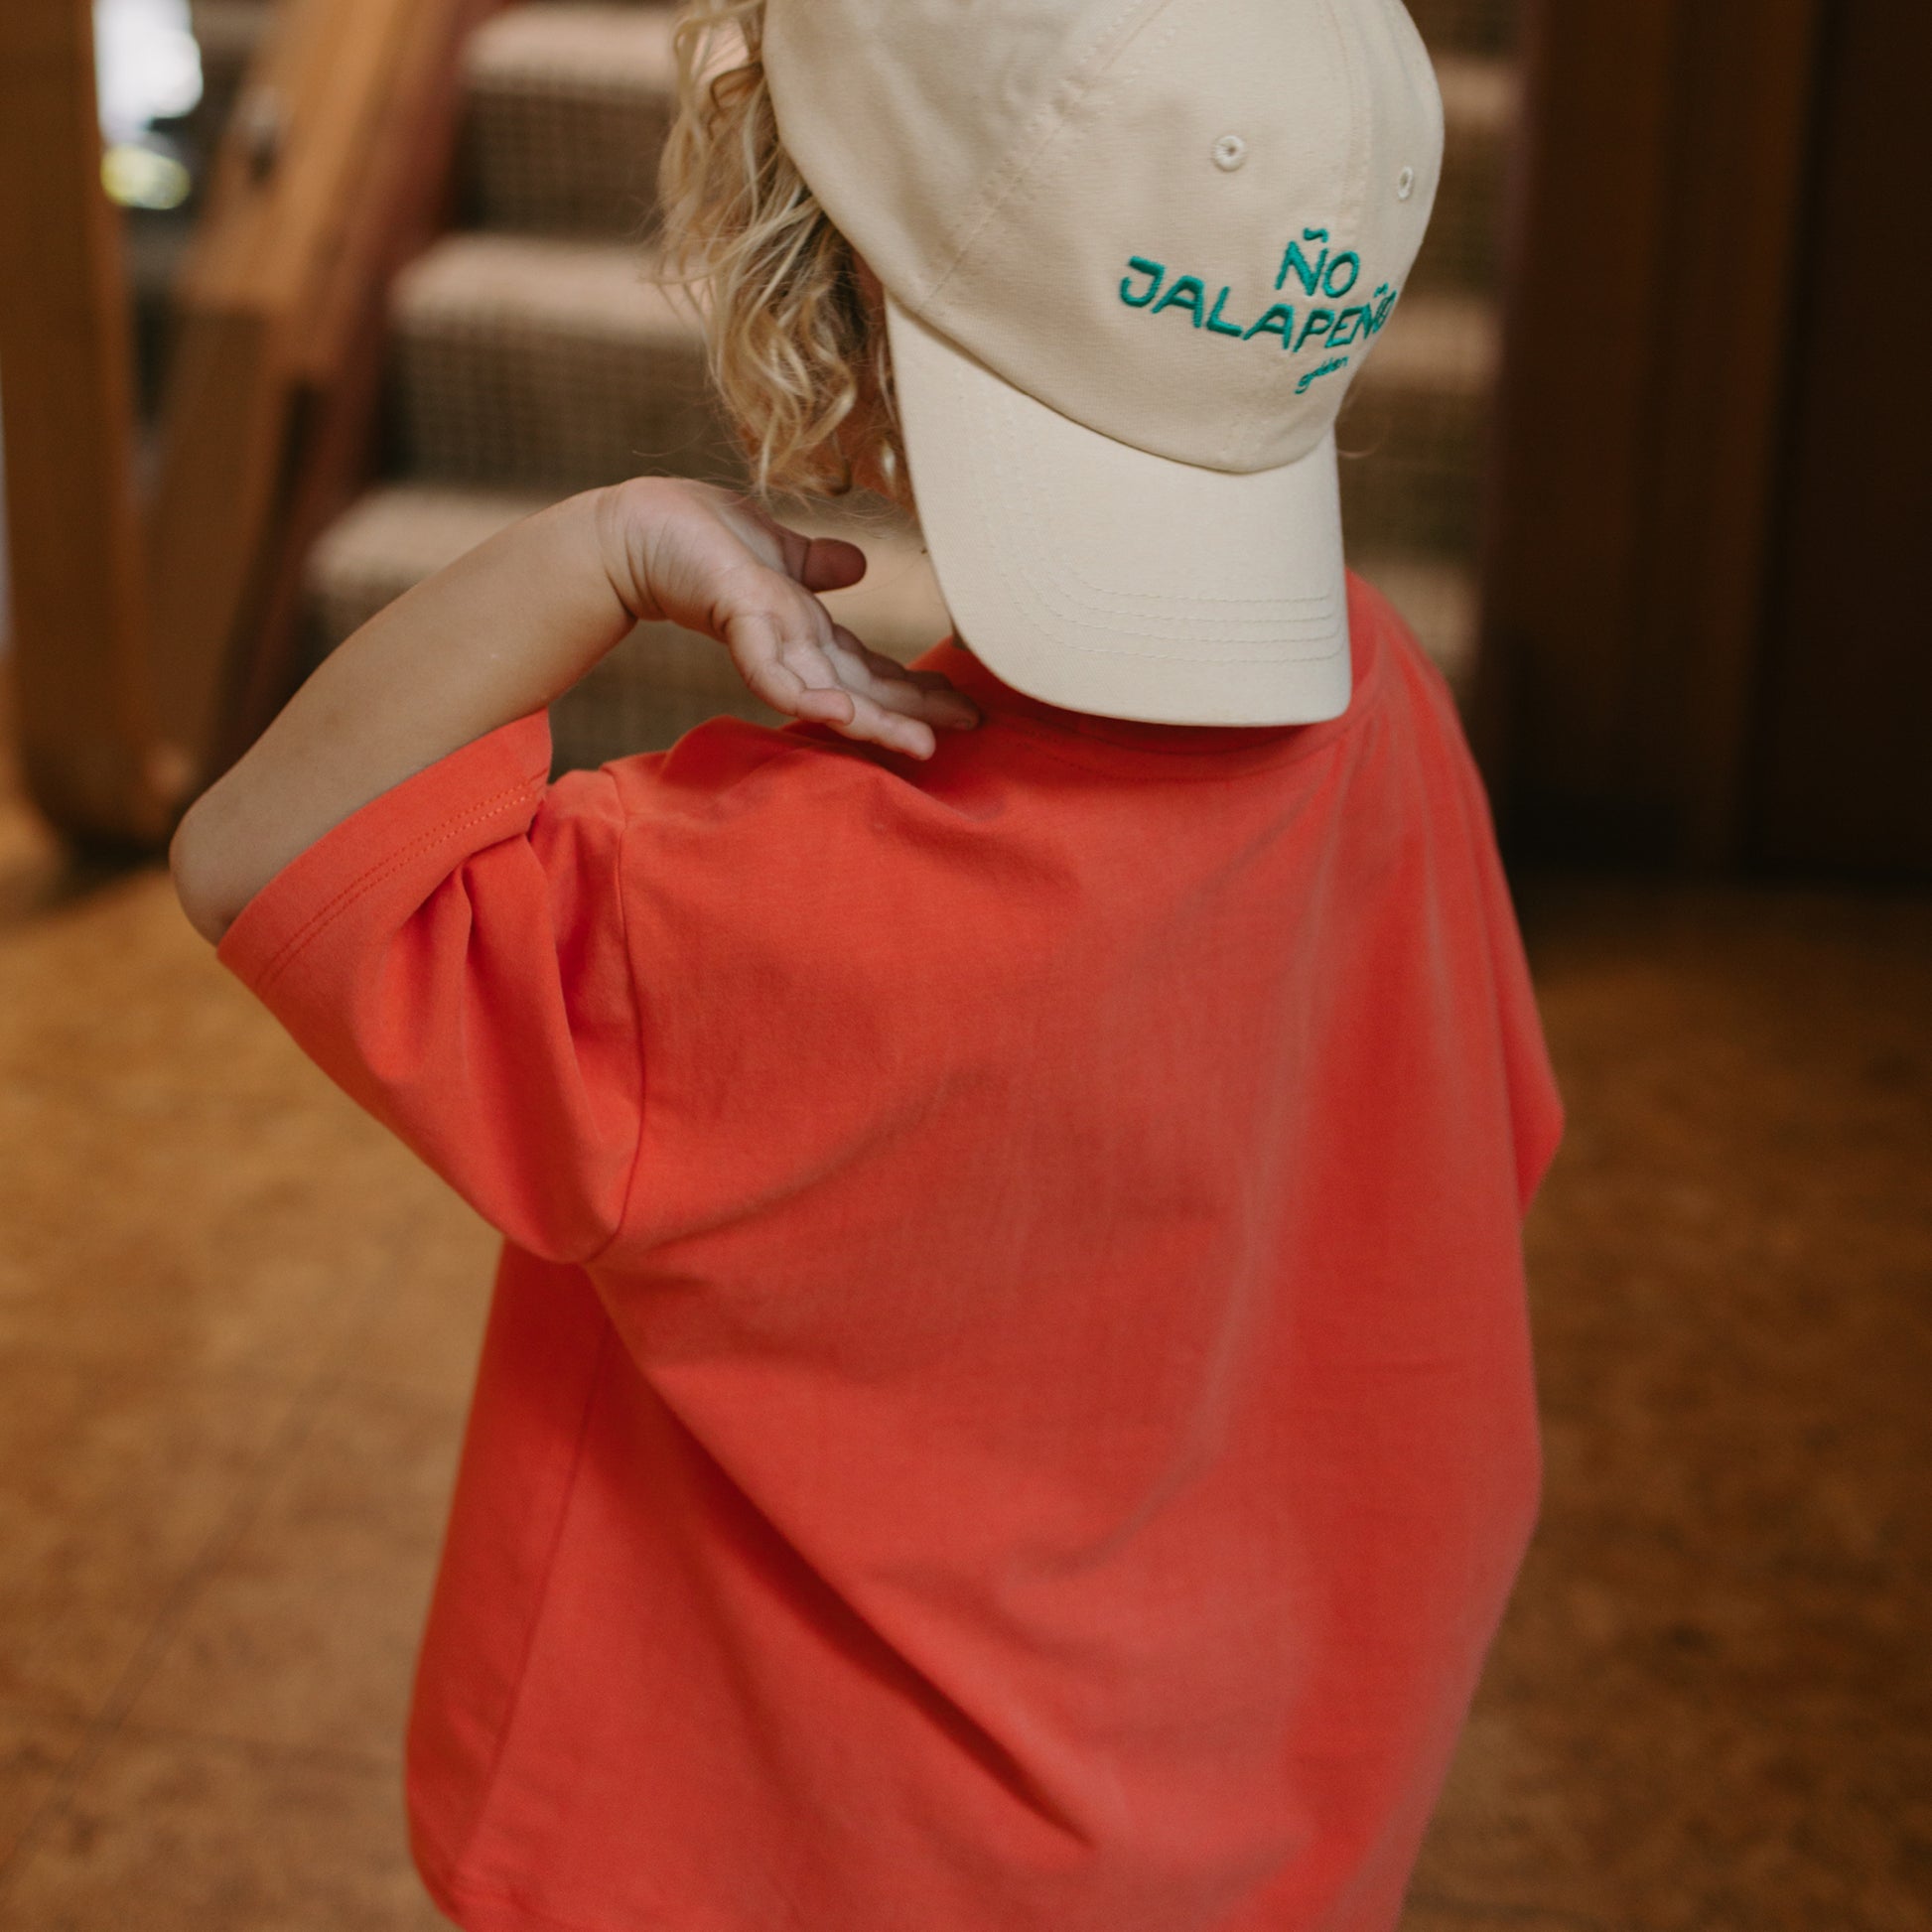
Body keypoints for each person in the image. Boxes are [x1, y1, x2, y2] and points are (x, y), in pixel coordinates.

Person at [170, 0, 1565, 1926]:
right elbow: (1479, 1165)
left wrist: (607, 549)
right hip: (1259, 1829)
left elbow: (252, 853)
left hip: (771, 1861)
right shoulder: (1389, 717)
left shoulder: (727, 898)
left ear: (828, 283)